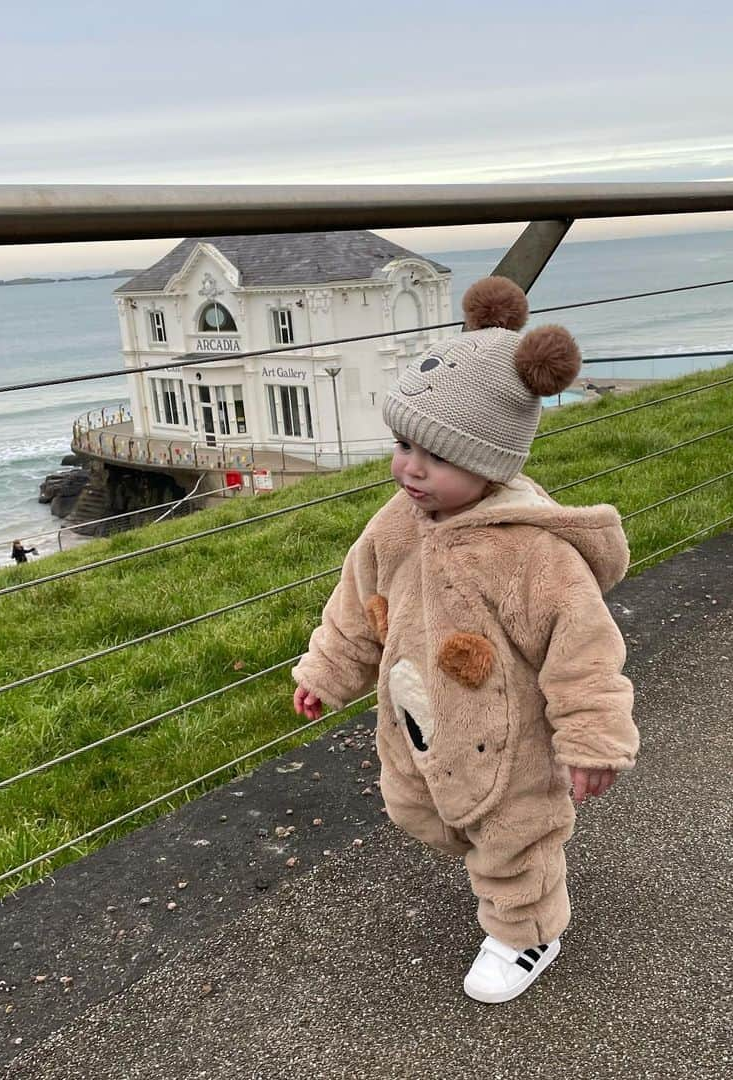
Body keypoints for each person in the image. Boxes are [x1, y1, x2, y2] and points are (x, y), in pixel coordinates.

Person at [292, 276, 638, 1004]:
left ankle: (526, 930)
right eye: (402, 445)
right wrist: (328, 669)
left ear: (489, 462)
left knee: (514, 832)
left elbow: (585, 648)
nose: (409, 469)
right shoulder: (396, 520)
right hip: (422, 721)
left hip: (509, 733)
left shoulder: (533, 554)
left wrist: (593, 737)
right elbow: (359, 600)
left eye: (436, 456)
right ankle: (507, 886)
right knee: (419, 808)